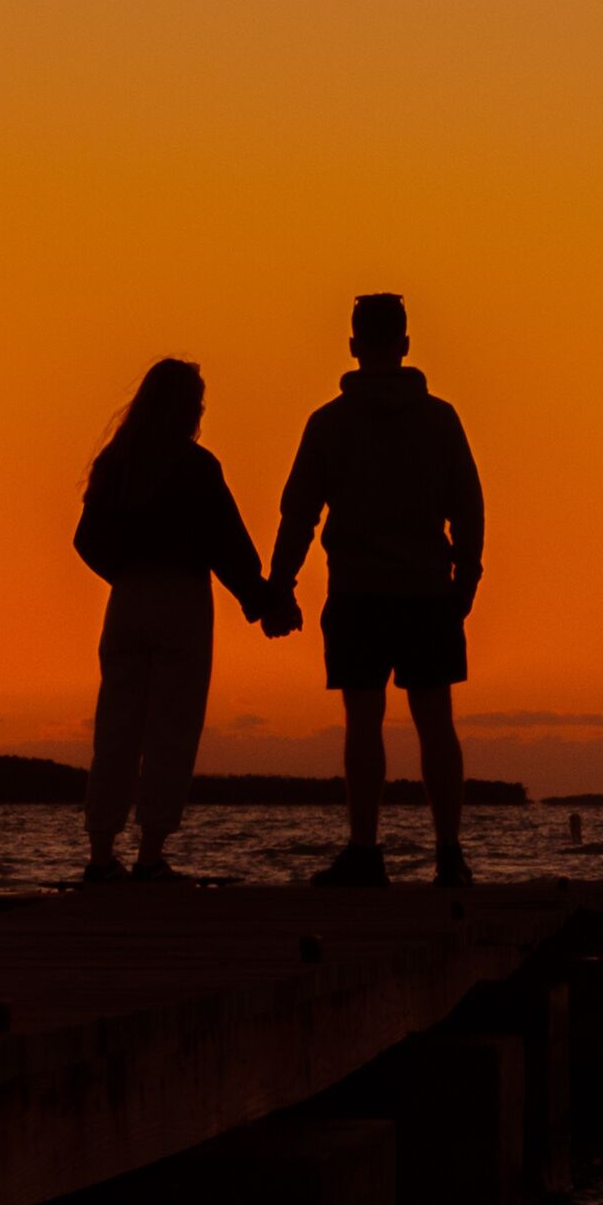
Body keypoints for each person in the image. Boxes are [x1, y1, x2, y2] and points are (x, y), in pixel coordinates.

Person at [267, 292, 485, 886]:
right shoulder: (440, 419)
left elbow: (299, 515)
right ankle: (449, 854)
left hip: (359, 591)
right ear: (406, 344)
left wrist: (279, 585)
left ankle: (365, 852)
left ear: (355, 346)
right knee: (435, 720)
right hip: (427, 593)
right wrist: (465, 579)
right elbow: (468, 506)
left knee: (363, 721)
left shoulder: (329, 423)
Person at [73, 359, 296, 882]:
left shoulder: (116, 463)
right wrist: (263, 602)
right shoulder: (195, 467)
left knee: (115, 730)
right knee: (172, 730)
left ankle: (101, 856)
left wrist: (124, 575)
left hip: (127, 600)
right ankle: (150, 856)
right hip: (180, 599)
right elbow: (228, 545)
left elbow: (85, 539)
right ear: (189, 408)